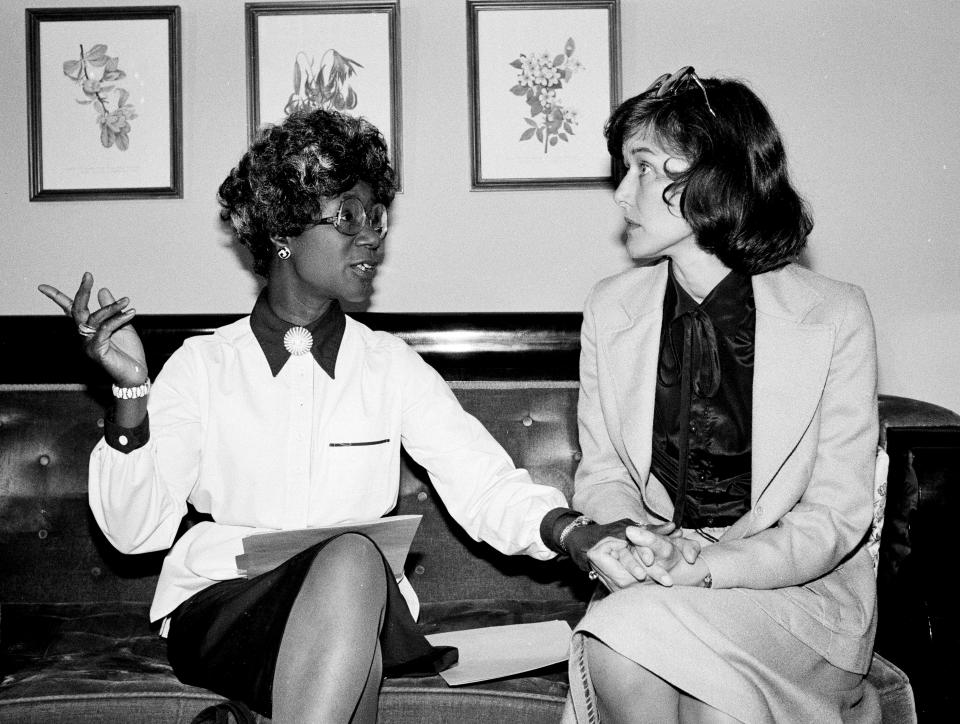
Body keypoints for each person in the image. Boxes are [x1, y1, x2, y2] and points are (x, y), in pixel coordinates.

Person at [37, 108, 618, 724]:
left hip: (356, 603)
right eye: (348, 215)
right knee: (354, 581)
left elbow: (484, 484)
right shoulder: (203, 365)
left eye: (376, 216)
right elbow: (134, 533)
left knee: (352, 566)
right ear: (283, 229)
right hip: (231, 611)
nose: (371, 235)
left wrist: (573, 532)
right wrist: (130, 397)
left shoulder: (389, 365)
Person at [559, 68, 881, 723]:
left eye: (643, 168)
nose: (622, 195)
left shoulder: (835, 314)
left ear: (714, 176)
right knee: (634, 645)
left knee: (632, 642)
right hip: (657, 581)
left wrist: (712, 566)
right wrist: (644, 542)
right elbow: (603, 474)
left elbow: (834, 517)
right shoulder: (610, 308)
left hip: (797, 593)